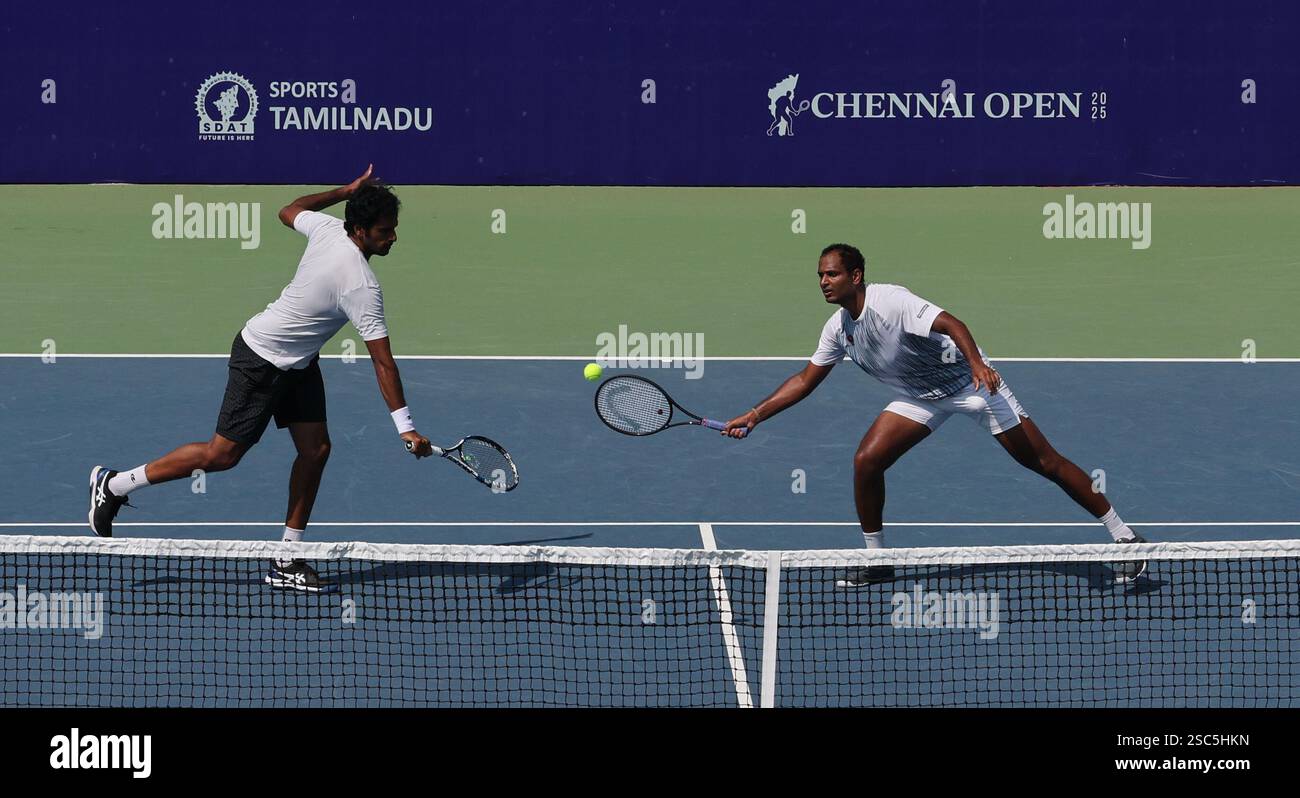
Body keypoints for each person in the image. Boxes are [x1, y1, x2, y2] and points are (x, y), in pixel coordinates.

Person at [88, 165, 435, 592]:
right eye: (385, 231)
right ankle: (116, 484)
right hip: (260, 359)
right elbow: (384, 363)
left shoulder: (330, 229)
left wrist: (344, 191)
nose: (393, 237)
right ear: (360, 230)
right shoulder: (360, 285)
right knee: (222, 456)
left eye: (394, 229)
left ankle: (287, 559)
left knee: (316, 450)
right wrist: (407, 428)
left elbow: (290, 209)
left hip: (299, 362)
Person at [722, 243, 1147, 586]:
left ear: (855, 276)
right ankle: (878, 560)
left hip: (972, 387)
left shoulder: (893, 301)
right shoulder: (838, 328)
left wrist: (978, 365)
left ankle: (1125, 537)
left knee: (1044, 462)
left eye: (831, 274)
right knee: (867, 461)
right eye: (819, 275)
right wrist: (756, 414)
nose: (823, 282)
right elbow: (805, 379)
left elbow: (953, 323)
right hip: (919, 395)